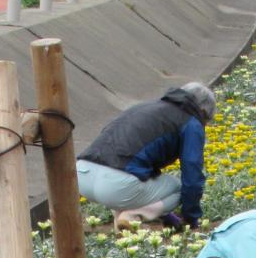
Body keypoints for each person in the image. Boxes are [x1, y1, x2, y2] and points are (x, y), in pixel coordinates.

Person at [76, 83, 214, 231]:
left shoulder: (149, 107)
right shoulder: (191, 122)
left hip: (82, 175)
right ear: (203, 111)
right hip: (115, 184)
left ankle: (123, 230)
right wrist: (190, 218)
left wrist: (167, 215)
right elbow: (192, 177)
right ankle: (134, 216)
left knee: (130, 180)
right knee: (180, 188)